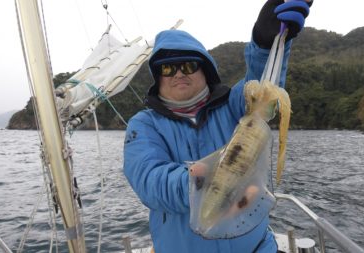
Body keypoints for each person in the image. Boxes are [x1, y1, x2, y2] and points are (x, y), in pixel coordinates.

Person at [123, 0, 311, 252]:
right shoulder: (144, 124)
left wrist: (267, 44)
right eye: (167, 68)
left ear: (205, 70)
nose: (178, 74)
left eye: (188, 65)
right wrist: (209, 182)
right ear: (158, 77)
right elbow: (150, 181)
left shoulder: (233, 105)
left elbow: (262, 90)